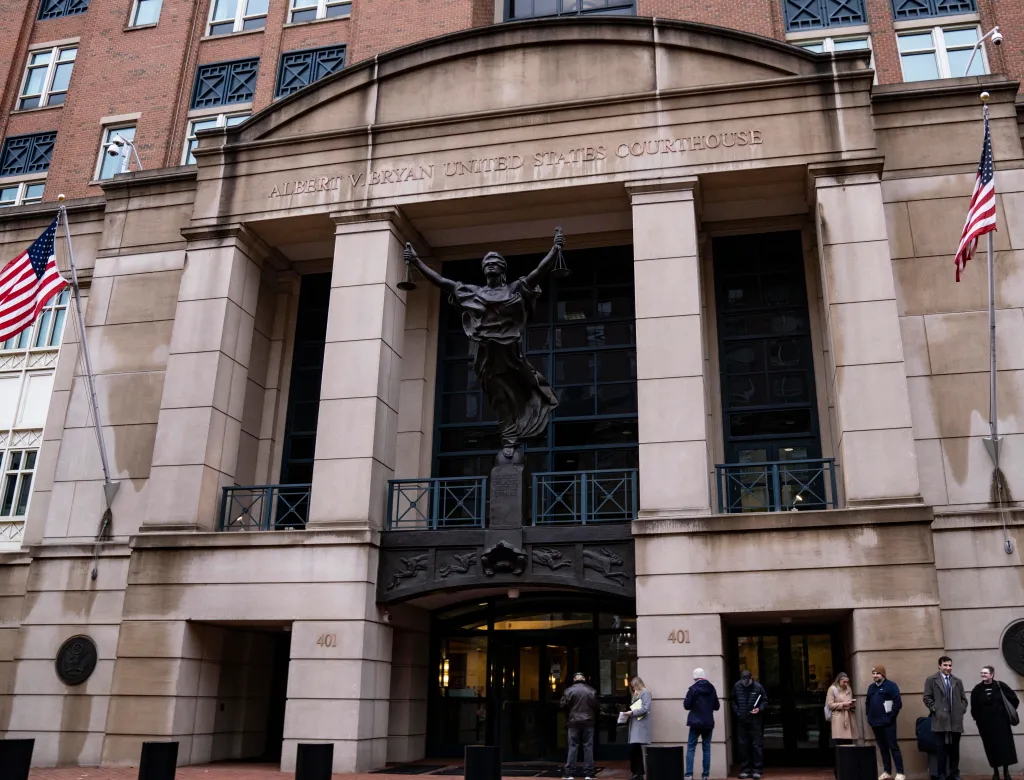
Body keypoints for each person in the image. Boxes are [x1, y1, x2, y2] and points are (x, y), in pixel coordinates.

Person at [404, 232, 563, 460]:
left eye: (494, 262)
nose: (490, 265)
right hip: (486, 356)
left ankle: (531, 413)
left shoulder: (514, 289)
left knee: (525, 389)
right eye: (486, 262)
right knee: (499, 397)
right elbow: (441, 282)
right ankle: (509, 438)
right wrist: (416, 261)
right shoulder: (473, 292)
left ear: (502, 269)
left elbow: (538, 272)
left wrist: (555, 250)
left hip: (510, 353)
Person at [970, 665, 1019, 780]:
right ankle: (996, 772)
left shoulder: (1000, 686)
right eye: (982, 673)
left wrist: (1006, 713)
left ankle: (1006, 772)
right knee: (991, 748)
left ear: (991, 674)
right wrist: (978, 720)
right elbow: (974, 707)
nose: (983, 675)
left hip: (1002, 723)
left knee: (1005, 747)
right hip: (986, 726)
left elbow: (1014, 700)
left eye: (985, 673)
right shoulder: (977, 689)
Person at [923, 656, 968, 780]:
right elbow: (927, 698)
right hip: (939, 721)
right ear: (939, 666)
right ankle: (941, 775)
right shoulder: (932, 680)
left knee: (954, 750)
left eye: (950, 665)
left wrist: (961, 710)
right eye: (945, 665)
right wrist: (935, 710)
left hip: (955, 721)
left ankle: (954, 774)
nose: (948, 668)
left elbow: (964, 699)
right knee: (941, 750)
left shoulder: (957, 681)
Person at [867, 664, 905, 780]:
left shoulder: (891, 686)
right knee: (883, 748)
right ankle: (887, 771)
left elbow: (898, 703)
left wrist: (890, 718)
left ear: (883, 674)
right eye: (873, 673)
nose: (875, 676)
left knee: (893, 747)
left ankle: (900, 772)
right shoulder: (871, 687)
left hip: (888, 723)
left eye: (877, 673)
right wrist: (869, 717)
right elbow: (867, 703)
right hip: (876, 723)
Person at [560, 671, 598, 780]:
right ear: (584, 679)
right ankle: (589, 773)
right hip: (588, 722)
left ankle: (569, 773)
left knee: (573, 747)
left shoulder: (569, 691)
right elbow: (596, 706)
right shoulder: (591, 690)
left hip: (573, 722)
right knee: (588, 747)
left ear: (574, 679)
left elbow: (562, 705)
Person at [684, 668, 720, 780]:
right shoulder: (711, 688)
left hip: (695, 722)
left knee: (691, 747)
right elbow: (717, 706)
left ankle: (689, 774)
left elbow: (686, 705)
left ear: (694, 677)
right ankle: (705, 775)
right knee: (707, 748)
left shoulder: (693, 689)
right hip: (708, 722)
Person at [732, 670, 767, 779]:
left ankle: (757, 769)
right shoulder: (737, 686)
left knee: (756, 745)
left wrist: (759, 709)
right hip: (742, 720)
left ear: (751, 678)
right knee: (743, 746)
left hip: (754, 720)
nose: (745, 682)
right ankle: (745, 769)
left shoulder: (758, 687)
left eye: (747, 680)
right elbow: (733, 700)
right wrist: (738, 712)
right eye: (743, 680)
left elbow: (765, 700)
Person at [828, 672, 859, 777]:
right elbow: (830, 705)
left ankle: (848, 770)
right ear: (839, 680)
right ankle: (839, 771)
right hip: (838, 719)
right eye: (844, 681)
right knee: (840, 745)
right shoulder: (833, 689)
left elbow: (849, 702)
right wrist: (844, 704)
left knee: (849, 744)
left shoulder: (848, 688)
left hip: (848, 718)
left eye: (847, 681)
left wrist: (852, 705)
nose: (846, 683)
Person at [625, 676, 652, 780]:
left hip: (640, 724)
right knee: (635, 749)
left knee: (634, 748)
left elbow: (645, 708)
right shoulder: (637, 694)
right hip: (636, 723)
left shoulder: (645, 693)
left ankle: (638, 772)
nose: (633, 688)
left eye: (634, 686)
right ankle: (637, 772)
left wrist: (632, 712)